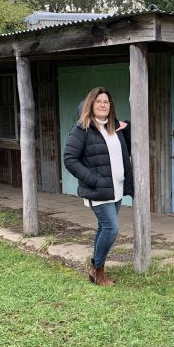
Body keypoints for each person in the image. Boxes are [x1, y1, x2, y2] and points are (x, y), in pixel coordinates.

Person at [64, 87, 133, 287]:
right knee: (111, 228)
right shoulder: (82, 129)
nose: (103, 105)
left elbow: (132, 142)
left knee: (104, 227)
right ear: (90, 104)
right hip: (98, 189)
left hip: (117, 188)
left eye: (106, 101)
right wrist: (92, 179)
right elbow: (70, 159)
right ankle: (97, 268)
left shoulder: (113, 128)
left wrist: (126, 125)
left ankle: (96, 269)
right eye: (98, 101)